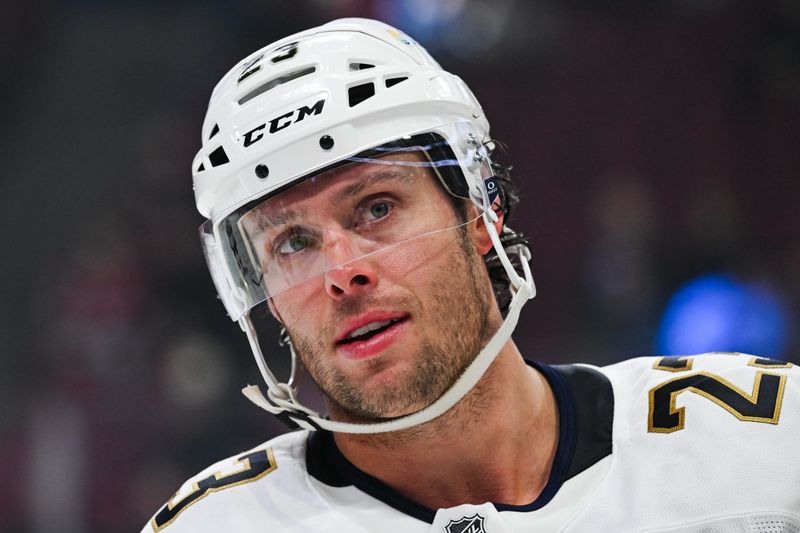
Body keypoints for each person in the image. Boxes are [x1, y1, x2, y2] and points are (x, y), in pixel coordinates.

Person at [143, 18, 800, 533]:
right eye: (293, 242)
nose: (342, 273)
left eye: (377, 207)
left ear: (482, 211)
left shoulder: (763, 441)